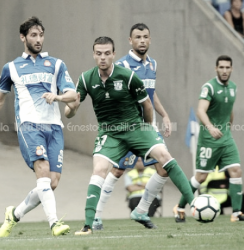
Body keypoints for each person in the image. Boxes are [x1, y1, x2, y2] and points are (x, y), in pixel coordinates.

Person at [65, 36, 194, 235]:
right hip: (110, 133)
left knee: (165, 159)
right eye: (99, 53)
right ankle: (89, 224)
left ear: (113, 54)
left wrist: (148, 127)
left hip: (136, 128)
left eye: (107, 53)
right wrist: (69, 108)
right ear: (93, 54)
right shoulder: (85, 78)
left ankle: (193, 204)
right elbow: (72, 108)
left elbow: (147, 103)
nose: (103, 57)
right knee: (101, 170)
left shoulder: (128, 75)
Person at [0, 16, 77, 237]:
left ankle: (14, 214)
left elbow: (73, 94)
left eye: (41, 35)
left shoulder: (56, 64)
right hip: (29, 126)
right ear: (23, 37)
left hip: (54, 127)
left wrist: (57, 97)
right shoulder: (12, 68)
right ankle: (54, 223)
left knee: (51, 183)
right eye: (33, 35)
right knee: (42, 171)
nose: (38, 39)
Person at [91, 23, 172, 231]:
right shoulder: (121, 66)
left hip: (147, 127)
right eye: (138, 37)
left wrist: (164, 115)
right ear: (130, 41)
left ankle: (141, 210)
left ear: (150, 39)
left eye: (145, 36)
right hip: (127, 127)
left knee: (164, 168)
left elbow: (150, 95)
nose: (142, 40)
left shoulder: (153, 64)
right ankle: (97, 216)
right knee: (118, 171)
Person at [174, 55, 244, 223]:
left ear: (231, 69)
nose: (224, 71)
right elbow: (200, 111)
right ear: (216, 69)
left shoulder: (233, 87)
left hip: (226, 139)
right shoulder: (209, 87)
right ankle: (180, 208)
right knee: (200, 177)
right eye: (221, 67)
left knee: (236, 171)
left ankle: (237, 213)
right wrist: (210, 128)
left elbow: (229, 110)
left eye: (227, 67)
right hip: (208, 140)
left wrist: (229, 128)